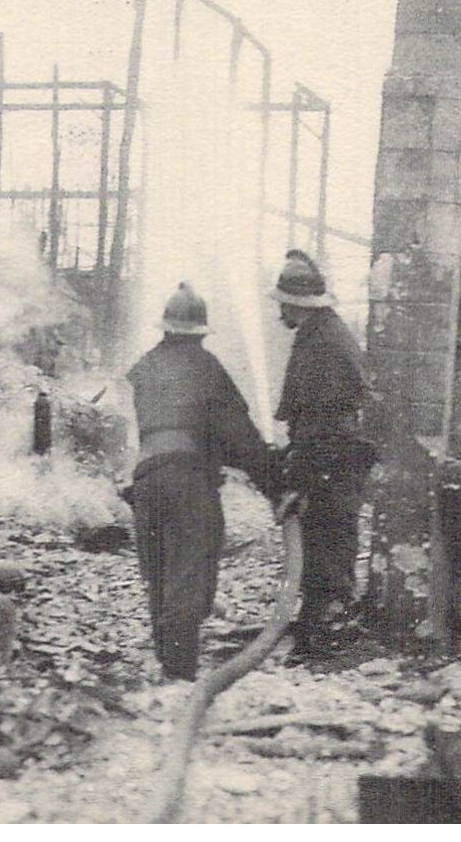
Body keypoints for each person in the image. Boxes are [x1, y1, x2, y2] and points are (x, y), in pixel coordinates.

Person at [126, 283, 269, 681]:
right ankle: (180, 673)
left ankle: (167, 662)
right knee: (190, 571)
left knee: (158, 572)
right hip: (188, 481)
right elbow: (238, 435)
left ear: (166, 328)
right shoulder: (206, 368)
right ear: (200, 333)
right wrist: (273, 480)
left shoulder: (145, 367)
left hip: (147, 478)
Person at [269, 250, 376, 661]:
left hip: (332, 461)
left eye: (283, 302)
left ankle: (324, 636)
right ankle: (316, 628)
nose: (279, 310)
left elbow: (322, 421)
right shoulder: (321, 333)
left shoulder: (323, 343)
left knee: (328, 546)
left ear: (297, 304)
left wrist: (299, 477)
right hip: (332, 460)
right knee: (324, 544)